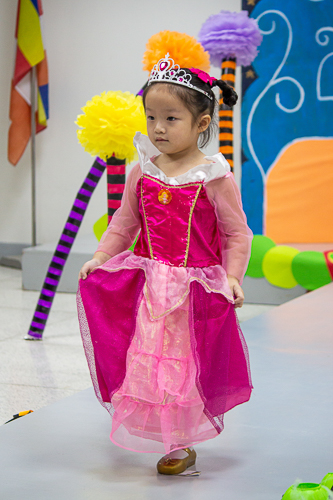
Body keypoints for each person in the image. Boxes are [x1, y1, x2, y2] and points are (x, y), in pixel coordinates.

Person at [77, 54, 253, 476]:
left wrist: (232, 278)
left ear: (202, 123)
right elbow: (125, 222)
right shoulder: (143, 171)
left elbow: (236, 233)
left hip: (194, 288)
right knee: (148, 359)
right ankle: (166, 432)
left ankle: (181, 441)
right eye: (152, 116)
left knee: (185, 362)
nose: (158, 127)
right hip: (150, 285)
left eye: (171, 118)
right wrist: (101, 257)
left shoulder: (214, 176)